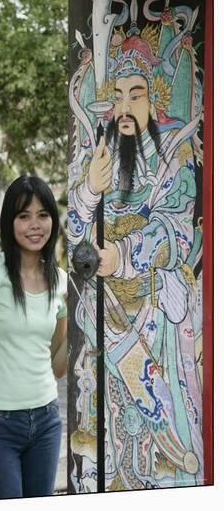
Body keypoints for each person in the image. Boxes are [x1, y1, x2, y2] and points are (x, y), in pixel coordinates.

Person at [68, 35, 203, 490]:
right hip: (105, 315)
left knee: (158, 423)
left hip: (152, 316)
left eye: (136, 94)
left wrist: (123, 257)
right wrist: (88, 190)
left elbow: (177, 234)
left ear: (153, 100)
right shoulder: (97, 158)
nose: (125, 107)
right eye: (118, 96)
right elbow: (71, 235)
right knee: (107, 430)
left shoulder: (173, 160)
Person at [0, 176, 67, 499]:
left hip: (47, 420)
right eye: (24, 216)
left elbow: (58, 365)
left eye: (42, 215)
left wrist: (82, 334)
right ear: (10, 222)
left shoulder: (62, 282)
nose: (34, 225)